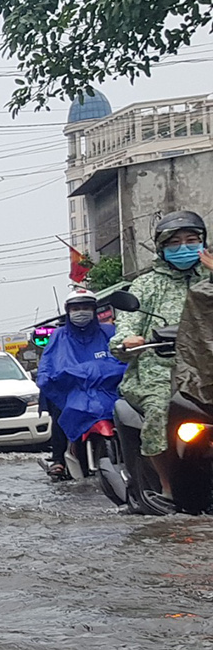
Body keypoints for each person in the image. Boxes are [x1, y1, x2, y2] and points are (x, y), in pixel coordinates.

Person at [112, 210, 207, 502]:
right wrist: (127, 340)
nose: (184, 247)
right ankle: (168, 488)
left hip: (207, 371)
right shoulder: (146, 285)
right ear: (162, 248)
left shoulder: (211, 277)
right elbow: (124, 328)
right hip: (158, 371)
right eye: (175, 243)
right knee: (158, 410)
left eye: (192, 240)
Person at [35, 286, 124, 479]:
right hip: (71, 391)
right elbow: (48, 365)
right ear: (68, 312)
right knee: (60, 413)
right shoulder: (59, 336)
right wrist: (50, 379)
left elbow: (123, 357)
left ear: (94, 309)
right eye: (76, 309)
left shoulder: (110, 332)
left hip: (106, 389)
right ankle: (58, 459)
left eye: (85, 307)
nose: (80, 312)